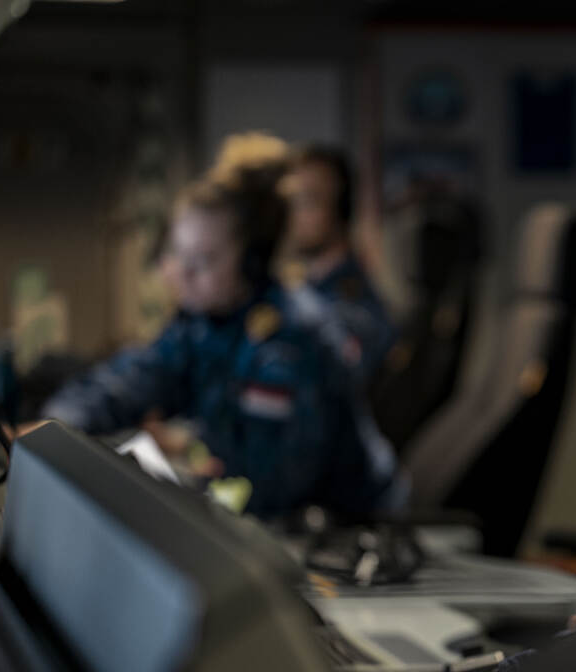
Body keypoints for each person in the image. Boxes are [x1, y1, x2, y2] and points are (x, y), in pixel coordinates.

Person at [42, 156, 400, 520]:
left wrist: (189, 458)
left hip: (347, 525)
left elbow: (271, 487)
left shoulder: (290, 341)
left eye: (203, 260)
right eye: (179, 254)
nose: (183, 274)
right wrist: (54, 427)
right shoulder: (201, 323)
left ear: (251, 262)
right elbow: (132, 379)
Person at [281, 145, 396, 383]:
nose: (294, 215)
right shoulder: (303, 289)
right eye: (291, 202)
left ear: (340, 210)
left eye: (308, 201)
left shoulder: (355, 307)